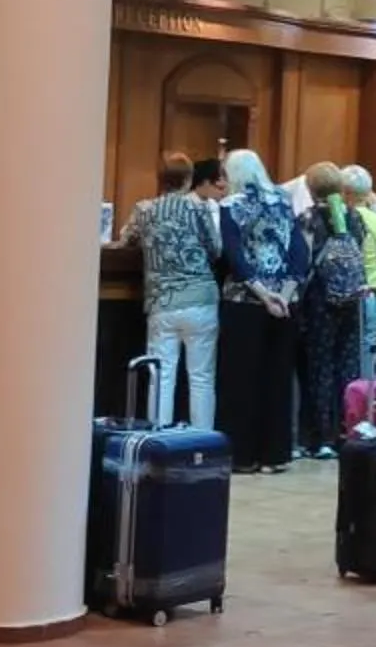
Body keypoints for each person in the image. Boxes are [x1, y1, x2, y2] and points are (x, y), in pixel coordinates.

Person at [215, 148, 309, 474]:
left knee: (241, 380)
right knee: (277, 379)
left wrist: (262, 293)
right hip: (286, 303)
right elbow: (299, 250)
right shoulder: (284, 201)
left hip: (245, 302)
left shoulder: (231, 206)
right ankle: (275, 454)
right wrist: (284, 293)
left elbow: (234, 255)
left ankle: (242, 455)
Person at [124, 153, 224, 428]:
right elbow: (216, 249)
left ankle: (159, 438)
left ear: (160, 178)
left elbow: (126, 239)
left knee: (162, 374)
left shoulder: (144, 209)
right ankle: (202, 442)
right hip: (201, 299)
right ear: (189, 179)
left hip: (162, 301)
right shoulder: (199, 209)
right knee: (201, 377)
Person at [295, 163, 374, 461]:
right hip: (352, 299)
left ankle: (319, 437)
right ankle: (347, 431)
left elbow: (302, 262)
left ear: (311, 189)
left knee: (320, 367)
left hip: (320, 302)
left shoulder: (308, 219)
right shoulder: (355, 218)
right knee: (348, 366)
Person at [341, 164, 376, 378]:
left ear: (346, 192)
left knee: (353, 354)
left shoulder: (347, 219)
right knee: (371, 350)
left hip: (356, 291)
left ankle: (356, 402)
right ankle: (372, 400)